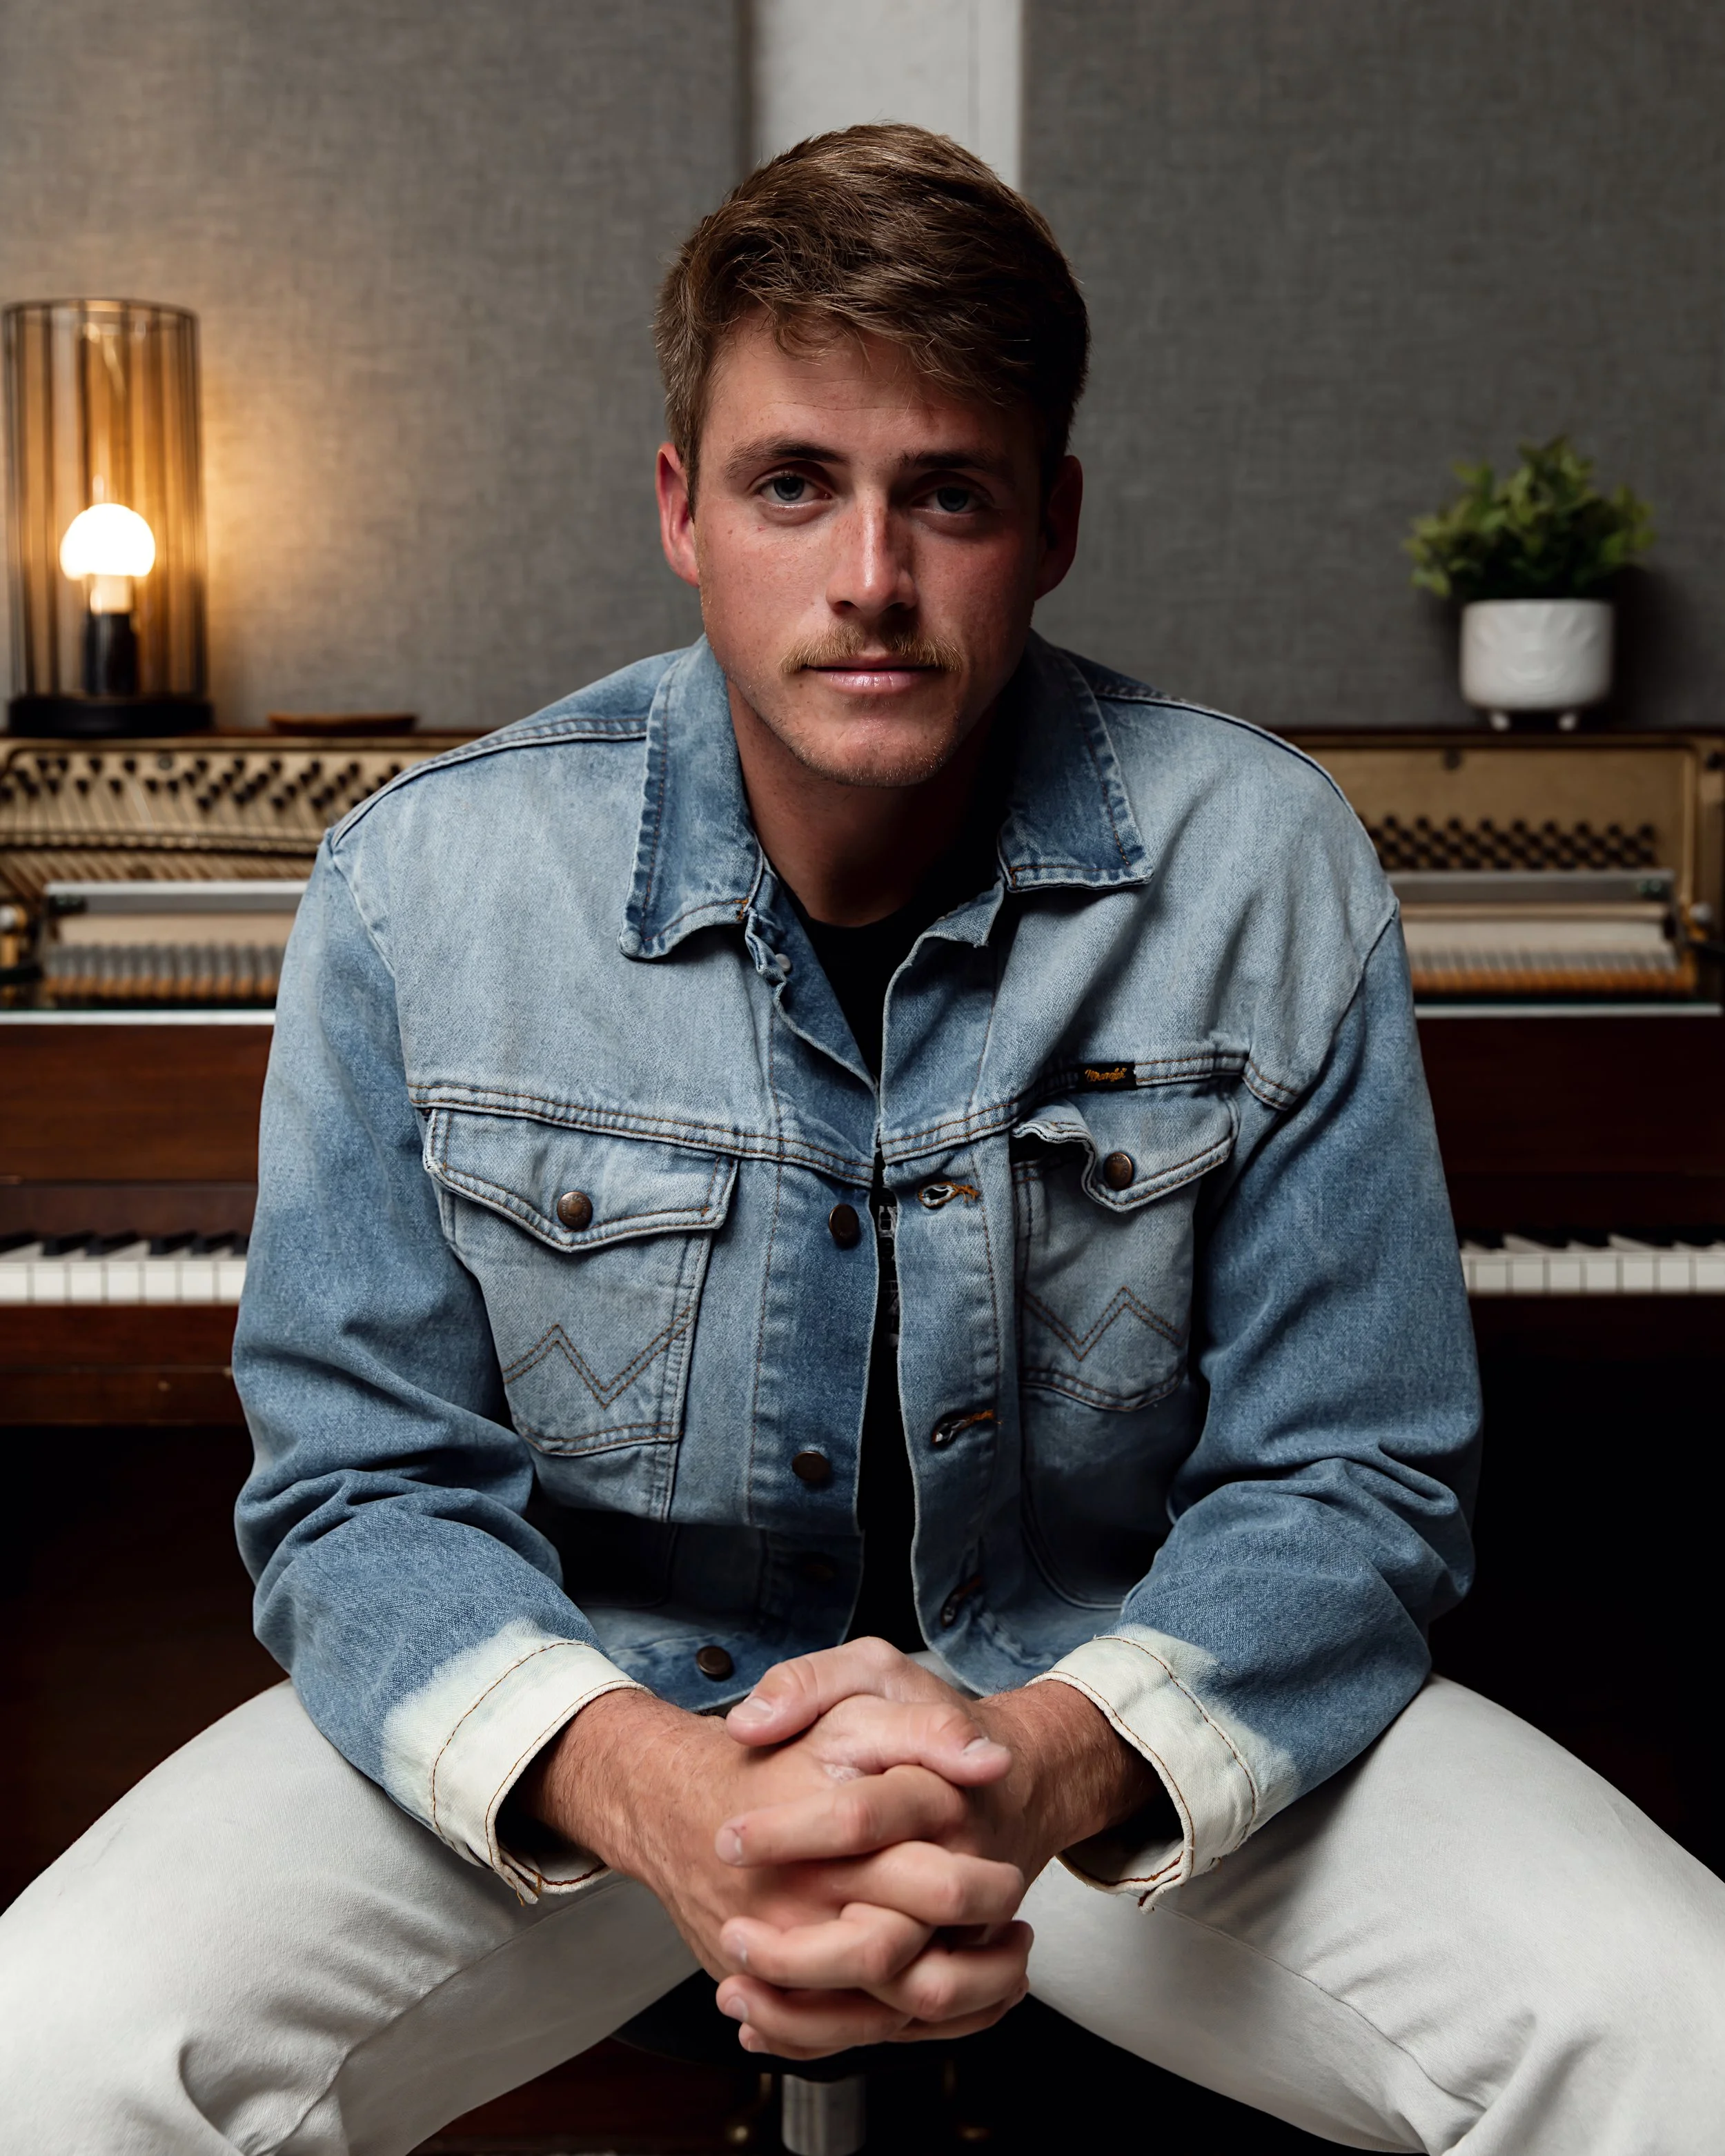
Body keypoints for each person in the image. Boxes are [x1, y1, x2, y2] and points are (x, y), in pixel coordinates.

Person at [1, 123, 1721, 2155]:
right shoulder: (422, 885)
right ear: (682, 509)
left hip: (1109, 1727)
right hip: (598, 1728)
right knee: (53, 2052)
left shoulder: (1266, 861)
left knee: (1680, 2032)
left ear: (1053, 520)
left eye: (948, 493)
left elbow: (1353, 1477)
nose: (871, 580)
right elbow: (359, 1492)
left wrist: (1030, 1763)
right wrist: (665, 1790)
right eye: (793, 483)